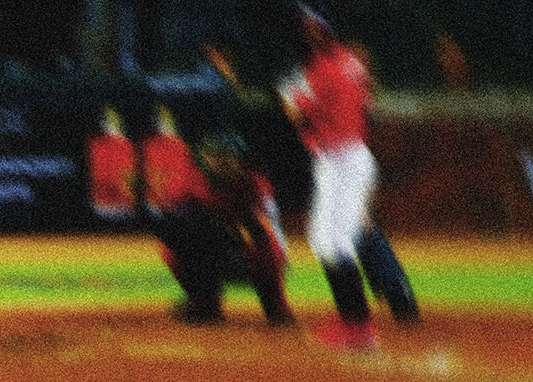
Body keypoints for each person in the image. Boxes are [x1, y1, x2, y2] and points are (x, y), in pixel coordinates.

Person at [277, 4, 379, 350]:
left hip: (342, 161)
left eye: (313, 27)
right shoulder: (352, 61)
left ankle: (359, 327)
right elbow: (367, 107)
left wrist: (288, 90)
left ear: (325, 30)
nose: (308, 32)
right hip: (344, 158)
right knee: (325, 241)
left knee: (334, 244)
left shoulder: (321, 69)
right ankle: (350, 320)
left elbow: (295, 114)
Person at [154, 131, 294, 327]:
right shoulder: (186, 181)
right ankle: (205, 302)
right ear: (204, 159)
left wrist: (277, 256)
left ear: (240, 160)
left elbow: (269, 228)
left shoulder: (255, 184)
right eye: (216, 157)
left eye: (229, 157)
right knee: (171, 248)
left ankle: (274, 304)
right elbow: (172, 227)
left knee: (267, 246)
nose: (222, 163)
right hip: (210, 250)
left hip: (245, 250)